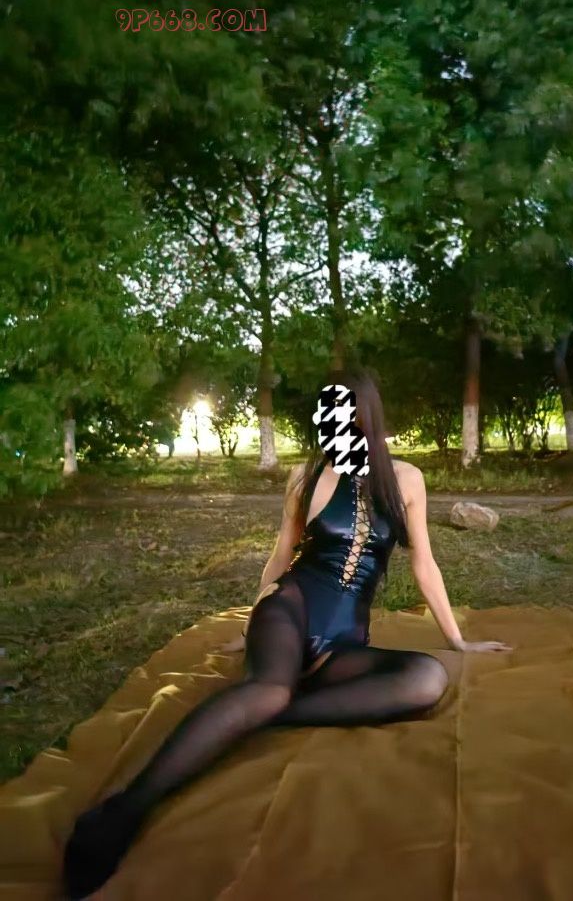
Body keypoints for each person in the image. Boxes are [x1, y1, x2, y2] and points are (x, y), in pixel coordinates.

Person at [62, 367, 512, 899]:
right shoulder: (305, 476)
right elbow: (282, 555)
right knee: (269, 687)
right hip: (289, 607)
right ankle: (122, 812)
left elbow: (425, 565)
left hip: (344, 641)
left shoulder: (406, 479)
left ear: (366, 414)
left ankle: (258, 719)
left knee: (425, 679)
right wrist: (251, 624)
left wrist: (456, 639)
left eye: (346, 409)